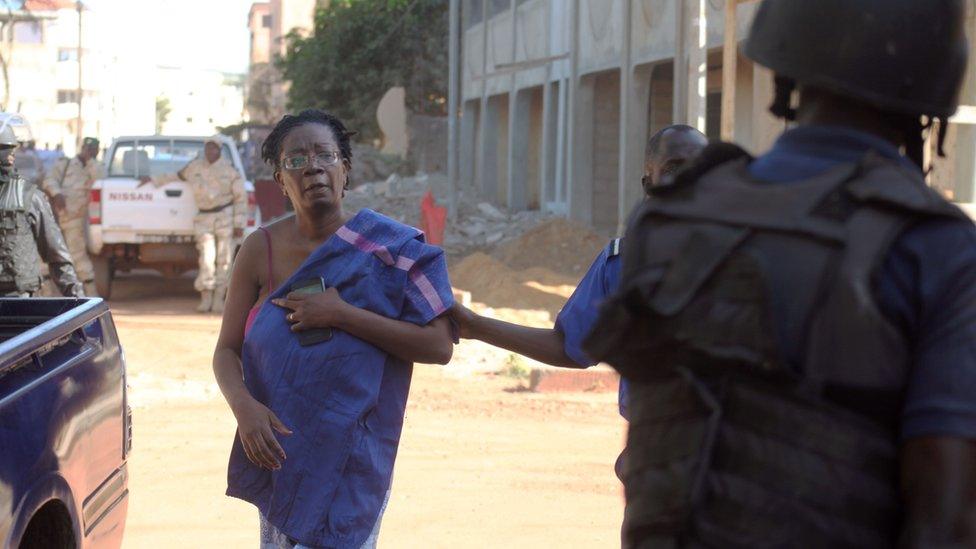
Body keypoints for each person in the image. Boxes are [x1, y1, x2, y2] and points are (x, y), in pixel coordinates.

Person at [583, 0, 976, 547]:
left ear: (784, 68)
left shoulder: (670, 219)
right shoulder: (937, 247)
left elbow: (662, 460)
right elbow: (948, 516)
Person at [212, 110, 455, 549]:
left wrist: (342, 315)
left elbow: (439, 345)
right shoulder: (259, 249)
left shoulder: (388, 249)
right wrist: (244, 408)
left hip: (354, 450)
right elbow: (226, 350)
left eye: (325, 155)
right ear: (280, 180)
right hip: (281, 450)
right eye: (296, 160)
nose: (313, 168)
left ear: (345, 169)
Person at [451, 124, 707, 423]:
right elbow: (570, 347)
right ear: (649, 184)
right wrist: (475, 327)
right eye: (674, 168)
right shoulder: (619, 264)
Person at [139, 138, 247, 313]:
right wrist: (153, 179)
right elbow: (175, 176)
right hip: (203, 218)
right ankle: (206, 298)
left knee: (225, 259)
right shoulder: (194, 167)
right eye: (208, 147)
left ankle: (219, 298)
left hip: (225, 218)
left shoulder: (230, 170)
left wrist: (239, 223)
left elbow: (241, 199)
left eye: (214, 147)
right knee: (206, 257)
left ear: (220, 150)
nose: (210, 150)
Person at [0, 120, 83, 298]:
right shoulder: (30, 197)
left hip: (18, 298)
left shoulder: (29, 197)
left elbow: (57, 256)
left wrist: (79, 303)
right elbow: (57, 257)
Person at [41, 137, 102, 297]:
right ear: (82, 148)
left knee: (78, 257)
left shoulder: (96, 167)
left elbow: (100, 181)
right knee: (46, 255)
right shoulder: (65, 164)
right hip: (54, 218)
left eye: (92, 149)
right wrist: (57, 193)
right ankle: (46, 297)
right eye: (87, 148)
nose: (88, 151)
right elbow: (49, 180)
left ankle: (90, 297)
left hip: (75, 220)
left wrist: (90, 162)